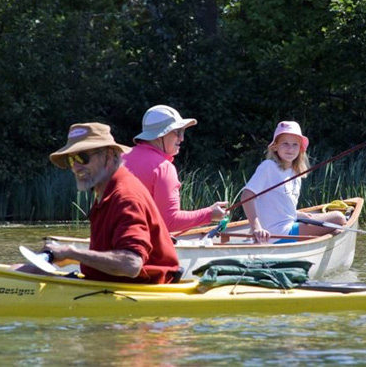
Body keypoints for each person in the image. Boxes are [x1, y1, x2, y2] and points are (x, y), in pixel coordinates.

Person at [17, 122, 180, 284]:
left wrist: (71, 253)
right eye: (71, 160)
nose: (76, 167)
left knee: (20, 277)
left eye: (82, 157)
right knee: (18, 271)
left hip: (137, 291)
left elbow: (131, 264)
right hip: (109, 286)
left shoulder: (126, 197)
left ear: (109, 155)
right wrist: (69, 258)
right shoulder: (107, 191)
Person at [122, 105, 228, 233]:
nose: (182, 138)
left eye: (182, 132)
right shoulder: (163, 168)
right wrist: (209, 214)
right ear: (158, 135)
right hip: (135, 247)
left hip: (105, 242)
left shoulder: (120, 159)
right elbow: (169, 221)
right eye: (177, 132)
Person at [241, 121, 347, 243]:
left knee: (319, 219)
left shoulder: (296, 173)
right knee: (338, 218)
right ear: (275, 146)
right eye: (285, 143)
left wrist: (299, 214)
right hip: (277, 234)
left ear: (301, 148)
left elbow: (278, 207)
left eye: (295, 144)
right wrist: (256, 228)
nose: (290, 149)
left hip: (289, 226)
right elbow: (246, 196)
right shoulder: (268, 167)